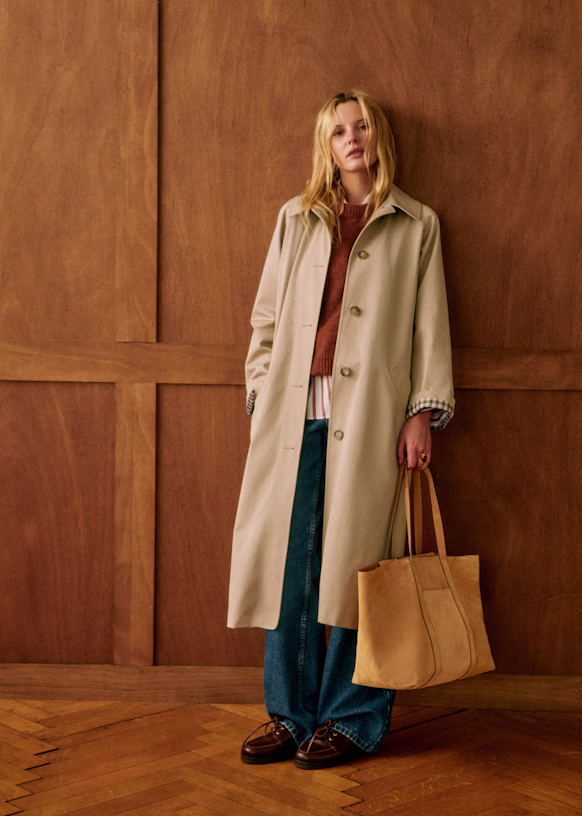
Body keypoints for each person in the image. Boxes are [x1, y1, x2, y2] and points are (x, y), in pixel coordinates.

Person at [227, 90, 455, 770]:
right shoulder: (296, 218)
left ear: (378, 137)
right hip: (293, 419)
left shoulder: (416, 224)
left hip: (372, 420)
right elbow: (266, 320)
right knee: (289, 570)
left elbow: (429, 327)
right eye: (337, 131)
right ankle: (289, 715)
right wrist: (261, 392)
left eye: (361, 127)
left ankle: (351, 719)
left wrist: (422, 411)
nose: (351, 139)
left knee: (361, 573)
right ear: (326, 146)